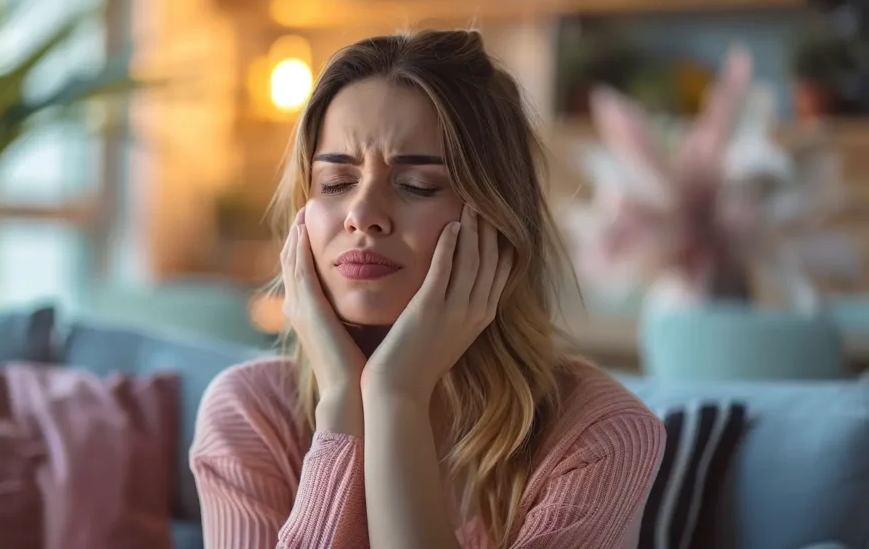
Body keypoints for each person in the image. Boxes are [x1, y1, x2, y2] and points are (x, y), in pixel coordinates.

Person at [189, 29, 666, 548]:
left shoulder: (600, 437)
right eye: (336, 183)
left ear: (497, 221)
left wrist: (397, 397)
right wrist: (343, 412)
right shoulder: (249, 414)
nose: (363, 216)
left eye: (417, 186)